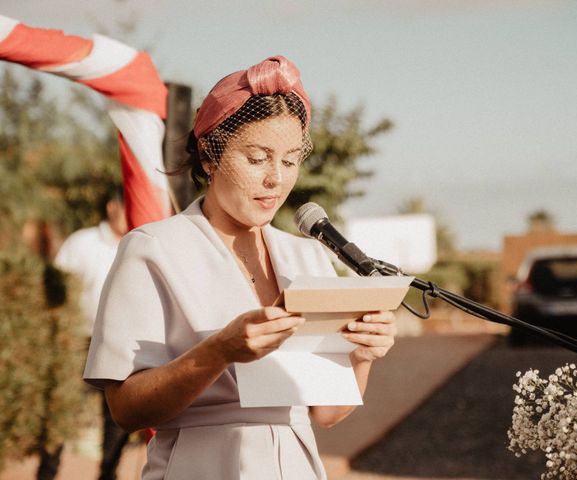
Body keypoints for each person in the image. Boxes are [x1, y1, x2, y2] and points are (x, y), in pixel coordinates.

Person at [83, 56, 397, 480]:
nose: (276, 179)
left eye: (289, 161)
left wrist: (361, 355)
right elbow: (126, 410)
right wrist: (218, 351)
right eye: (257, 158)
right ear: (211, 156)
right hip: (200, 467)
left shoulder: (308, 256)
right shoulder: (152, 249)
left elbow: (326, 412)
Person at [54, 188, 131, 480]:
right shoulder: (81, 243)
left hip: (118, 345)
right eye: (127, 206)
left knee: (115, 420)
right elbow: (60, 290)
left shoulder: (138, 243)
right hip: (78, 342)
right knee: (63, 413)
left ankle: (108, 475)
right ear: (112, 206)